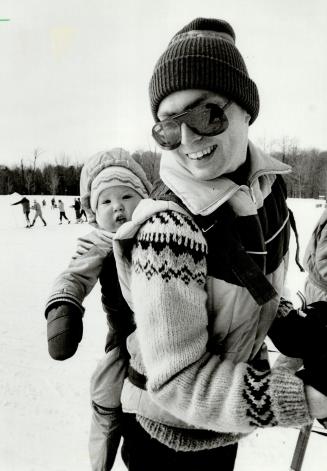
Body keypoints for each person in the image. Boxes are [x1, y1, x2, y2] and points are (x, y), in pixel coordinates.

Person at [110, 18, 327, 470]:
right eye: (168, 127)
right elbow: (178, 381)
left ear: (247, 109)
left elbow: (245, 296)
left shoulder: (267, 195)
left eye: (206, 115)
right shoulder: (169, 230)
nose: (187, 140)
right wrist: (309, 397)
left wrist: (294, 325)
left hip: (222, 428)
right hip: (166, 442)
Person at [44, 148, 152, 471]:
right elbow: (74, 275)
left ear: (142, 199)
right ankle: (100, 462)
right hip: (125, 338)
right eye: (106, 201)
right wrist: (64, 306)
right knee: (106, 392)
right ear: (94, 210)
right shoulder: (100, 243)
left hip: (164, 333)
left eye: (126, 196)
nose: (118, 206)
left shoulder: (158, 232)